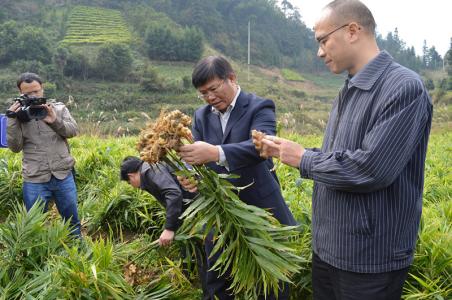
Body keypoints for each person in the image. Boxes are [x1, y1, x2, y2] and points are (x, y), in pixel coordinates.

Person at [253, 1, 433, 299]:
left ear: (352, 31)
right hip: (329, 249)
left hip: (369, 258)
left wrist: (304, 158)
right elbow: (338, 155)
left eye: (323, 40)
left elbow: (371, 169)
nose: (319, 52)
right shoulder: (349, 88)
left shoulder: (403, 87)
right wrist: (290, 151)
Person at [178, 55, 296, 300]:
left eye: (213, 89)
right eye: (203, 93)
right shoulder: (201, 116)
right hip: (220, 213)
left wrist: (215, 152)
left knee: (271, 280)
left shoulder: (259, 106)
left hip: (261, 210)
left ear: (231, 78)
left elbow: (262, 146)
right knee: (217, 279)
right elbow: (195, 159)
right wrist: (191, 177)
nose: (210, 97)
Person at [120, 156, 208, 299]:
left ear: (131, 176)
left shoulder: (150, 172)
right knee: (199, 250)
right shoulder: (150, 168)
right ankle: (196, 281)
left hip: (201, 208)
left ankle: (210, 292)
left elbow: (174, 194)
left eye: (129, 182)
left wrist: (169, 229)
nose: (132, 185)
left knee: (205, 253)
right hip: (194, 210)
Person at [6, 72, 81, 236]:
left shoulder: (59, 108)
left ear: (42, 89)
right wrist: (12, 119)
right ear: (20, 93)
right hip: (35, 178)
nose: (33, 96)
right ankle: (39, 259)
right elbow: (15, 147)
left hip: (63, 174)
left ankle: (78, 256)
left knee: (72, 222)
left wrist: (54, 121)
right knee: (34, 226)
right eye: (27, 93)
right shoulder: (18, 116)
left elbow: (73, 131)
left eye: (36, 91)